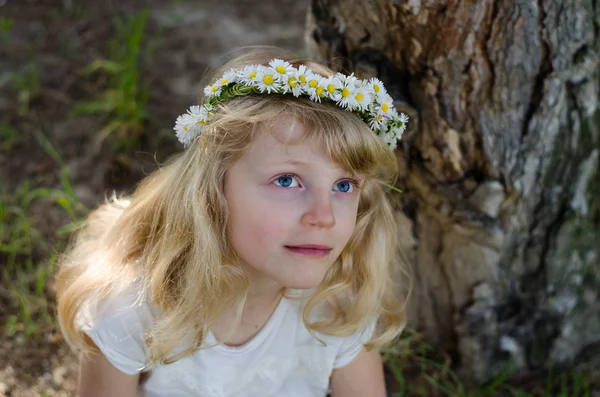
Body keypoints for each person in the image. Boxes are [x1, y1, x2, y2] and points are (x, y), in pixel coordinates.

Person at [55, 48, 409, 397]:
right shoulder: (131, 311)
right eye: (287, 180)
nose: (324, 216)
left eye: (344, 186)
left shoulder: (338, 303)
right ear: (212, 189)